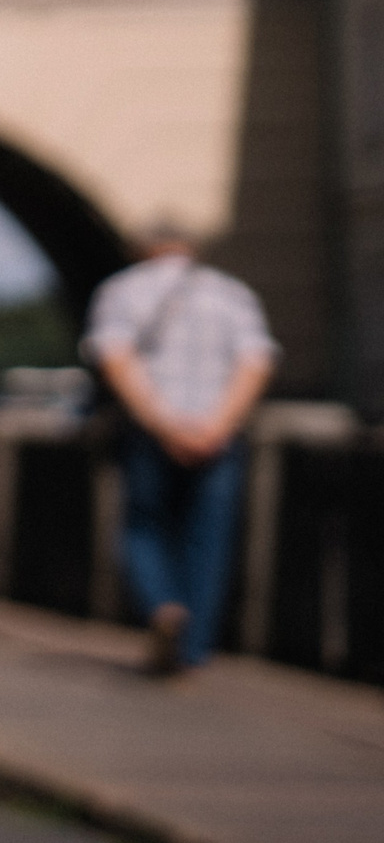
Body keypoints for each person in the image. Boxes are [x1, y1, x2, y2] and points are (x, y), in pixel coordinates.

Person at [85, 224, 275, 676]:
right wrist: (216, 425)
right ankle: (192, 651)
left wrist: (164, 424)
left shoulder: (121, 291)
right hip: (217, 434)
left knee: (142, 528)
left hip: (153, 433)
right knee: (208, 539)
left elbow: (115, 357)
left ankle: (164, 607)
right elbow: (256, 359)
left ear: (141, 248)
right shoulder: (232, 293)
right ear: (193, 247)